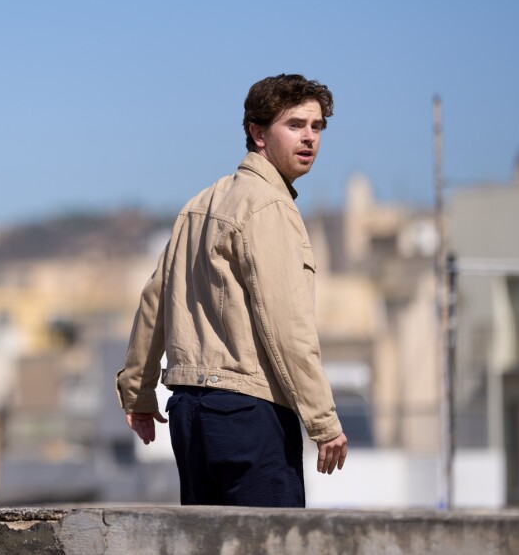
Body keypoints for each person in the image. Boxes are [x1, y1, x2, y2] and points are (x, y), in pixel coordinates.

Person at [116, 73, 348, 507]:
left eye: (317, 127)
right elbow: (287, 327)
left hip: (190, 414)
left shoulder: (200, 204)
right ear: (257, 133)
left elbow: (154, 301)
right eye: (294, 125)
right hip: (248, 412)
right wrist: (323, 422)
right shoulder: (269, 206)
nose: (309, 138)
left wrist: (139, 391)